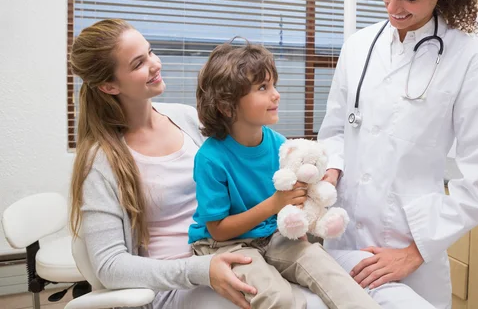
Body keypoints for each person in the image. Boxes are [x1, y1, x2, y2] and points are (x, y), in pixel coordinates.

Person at [68, 19, 324, 309]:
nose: (155, 64)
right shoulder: (100, 160)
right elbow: (109, 266)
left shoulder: (186, 118)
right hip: (176, 284)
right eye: (139, 63)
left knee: (317, 297)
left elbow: (236, 179)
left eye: (150, 52)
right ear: (108, 85)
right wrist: (201, 270)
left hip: (240, 249)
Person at [318, 0, 478, 309]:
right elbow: (334, 130)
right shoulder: (358, 47)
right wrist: (331, 169)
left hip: (409, 246)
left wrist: (415, 253)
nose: (393, 7)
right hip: (343, 235)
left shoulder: (469, 61)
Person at [189, 42, 381, 309]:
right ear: (226, 105)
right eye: (262, 88)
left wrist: (296, 222)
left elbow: (292, 200)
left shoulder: (280, 145)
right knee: (278, 297)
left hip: (270, 235)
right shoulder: (211, 159)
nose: (276, 95)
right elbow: (218, 230)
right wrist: (275, 205)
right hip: (223, 245)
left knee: (323, 266)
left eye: (273, 85)